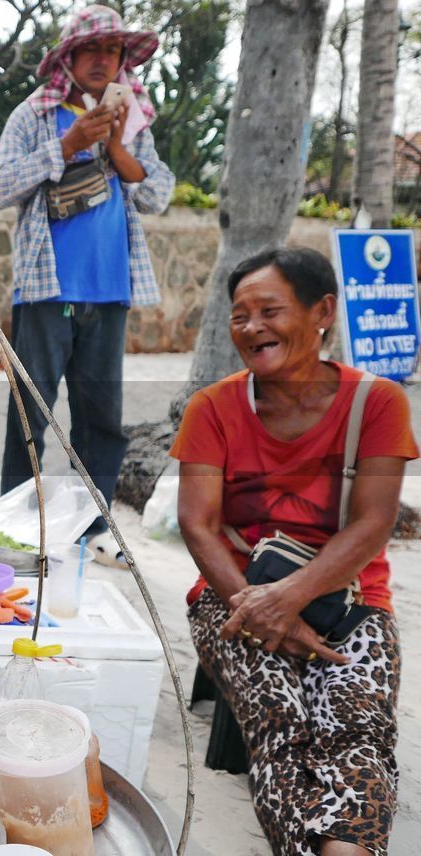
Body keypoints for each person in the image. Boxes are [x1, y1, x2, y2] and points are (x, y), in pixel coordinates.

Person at [172, 247, 415, 856]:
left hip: (353, 599)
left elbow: (373, 522)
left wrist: (290, 601)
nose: (252, 327)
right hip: (232, 595)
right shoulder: (213, 408)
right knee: (280, 722)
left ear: (323, 311)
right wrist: (260, 608)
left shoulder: (378, 404)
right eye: (239, 315)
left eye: (270, 311)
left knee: (360, 727)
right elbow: (197, 525)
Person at [0, 5, 174, 561]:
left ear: (122, 62)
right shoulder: (36, 113)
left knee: (101, 422)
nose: (101, 60)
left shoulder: (133, 119)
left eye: (112, 51)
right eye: (90, 50)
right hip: (46, 293)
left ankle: (92, 531)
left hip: (110, 291)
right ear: (68, 58)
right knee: (30, 411)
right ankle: (14, 525)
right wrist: (66, 147)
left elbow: (159, 192)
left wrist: (114, 147)